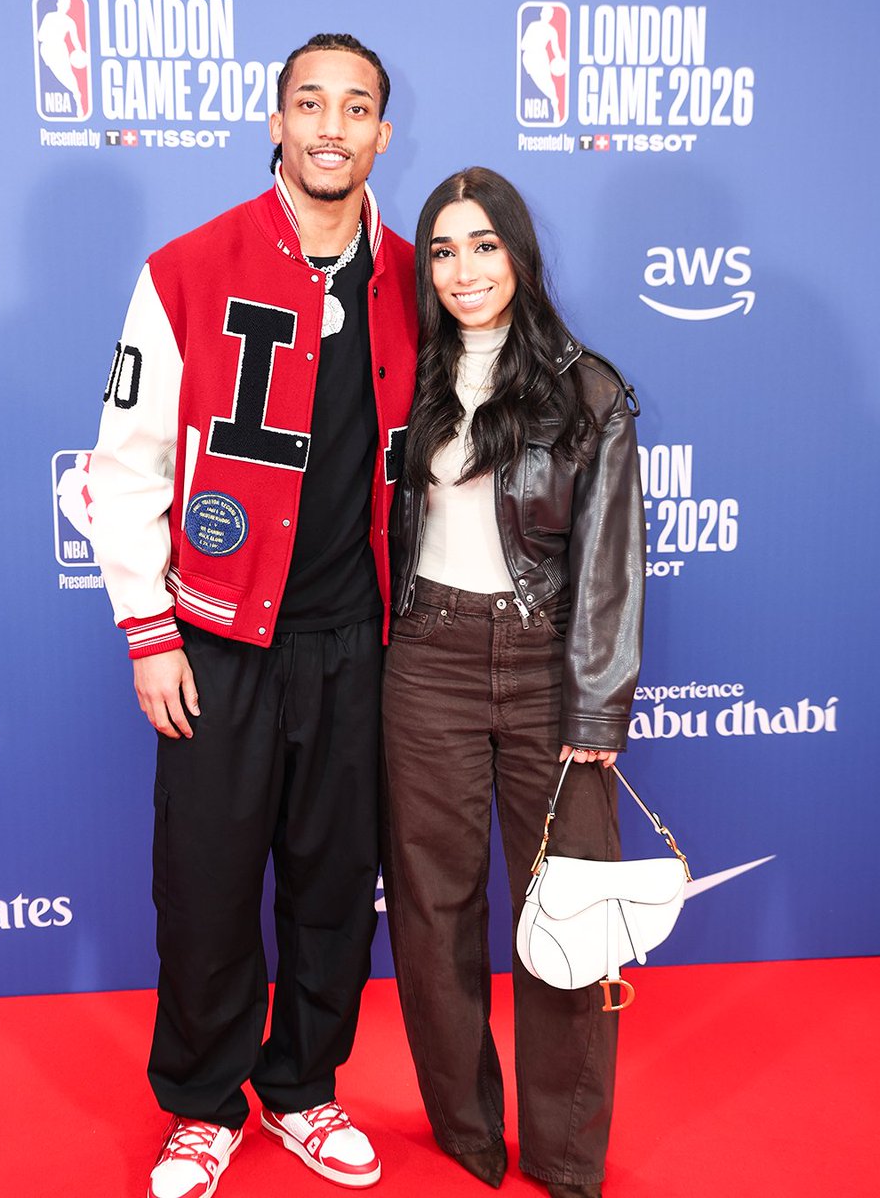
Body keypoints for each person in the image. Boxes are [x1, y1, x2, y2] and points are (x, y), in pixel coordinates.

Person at [88, 33, 416, 1198]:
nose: (332, 127)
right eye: (310, 104)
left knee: (335, 881)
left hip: (358, 644)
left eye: (358, 107)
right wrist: (149, 629)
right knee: (210, 878)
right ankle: (201, 1101)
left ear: (385, 132)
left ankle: (302, 1089)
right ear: (273, 120)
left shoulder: (418, 280)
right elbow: (122, 471)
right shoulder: (188, 268)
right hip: (218, 640)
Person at [380, 168, 645, 1198]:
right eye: (442, 250)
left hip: (547, 670)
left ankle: (568, 1157)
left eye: (483, 245)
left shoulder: (591, 392)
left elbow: (610, 569)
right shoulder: (404, 377)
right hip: (428, 660)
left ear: (521, 255)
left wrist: (595, 709)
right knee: (433, 913)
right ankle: (467, 1133)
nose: (463, 270)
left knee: (570, 921)